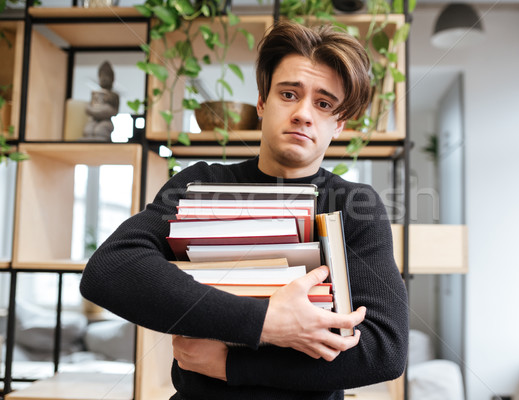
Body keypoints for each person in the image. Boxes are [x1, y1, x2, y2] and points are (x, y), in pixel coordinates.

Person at [80, 20, 408, 400]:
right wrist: (265, 322)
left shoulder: (355, 206)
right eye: (289, 94)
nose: (303, 113)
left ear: (339, 123)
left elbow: (386, 348)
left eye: (323, 103)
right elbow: (110, 270)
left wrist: (230, 365)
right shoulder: (200, 184)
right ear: (262, 103)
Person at [81, 60, 119, 141]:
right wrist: (94, 111)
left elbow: (114, 111)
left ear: (112, 79)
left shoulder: (114, 96)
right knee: (88, 130)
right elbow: (88, 107)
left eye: (107, 76)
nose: (104, 79)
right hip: (94, 120)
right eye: (102, 76)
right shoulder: (95, 94)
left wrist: (101, 111)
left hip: (106, 121)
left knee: (100, 131)